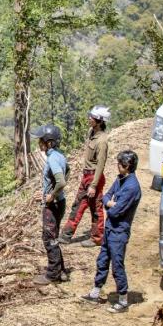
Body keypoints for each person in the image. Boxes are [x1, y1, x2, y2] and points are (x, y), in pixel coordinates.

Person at [80, 149, 142, 313]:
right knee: (102, 260)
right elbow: (106, 196)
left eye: (120, 163)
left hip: (119, 232)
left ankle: (123, 299)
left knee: (117, 265)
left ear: (127, 166)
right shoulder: (121, 179)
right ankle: (95, 292)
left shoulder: (131, 187)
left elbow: (115, 212)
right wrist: (111, 203)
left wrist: (111, 205)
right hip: (110, 229)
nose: (117, 165)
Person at [61, 106, 111, 247]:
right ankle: (66, 235)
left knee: (96, 208)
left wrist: (94, 185)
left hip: (94, 177)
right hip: (87, 176)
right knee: (78, 206)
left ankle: (97, 238)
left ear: (100, 121)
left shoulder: (102, 141)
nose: (89, 118)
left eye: (92, 117)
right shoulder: (91, 133)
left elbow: (101, 165)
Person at [31, 124, 70, 286]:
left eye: (41, 140)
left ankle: (52, 274)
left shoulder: (53, 158)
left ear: (49, 142)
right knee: (53, 236)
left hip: (53, 204)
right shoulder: (59, 156)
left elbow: (61, 181)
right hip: (59, 202)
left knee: (49, 238)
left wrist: (51, 195)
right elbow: (68, 171)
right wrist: (49, 191)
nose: (39, 143)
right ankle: (60, 271)